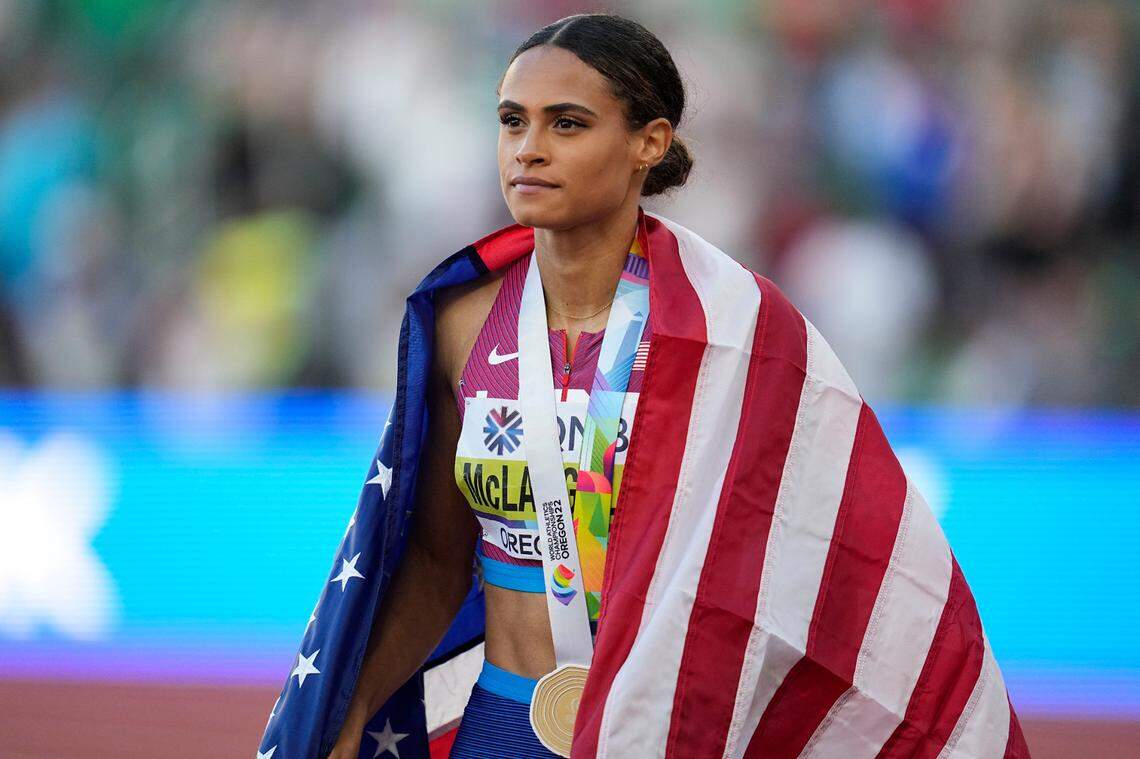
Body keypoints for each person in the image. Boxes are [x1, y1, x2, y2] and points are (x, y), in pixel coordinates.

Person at [260, 13, 1029, 759]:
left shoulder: (733, 331)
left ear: (648, 142)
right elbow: (432, 555)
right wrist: (351, 706)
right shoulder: (462, 322)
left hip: (658, 730)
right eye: (511, 121)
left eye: (566, 124)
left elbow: (828, 553)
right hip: (501, 724)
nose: (527, 149)